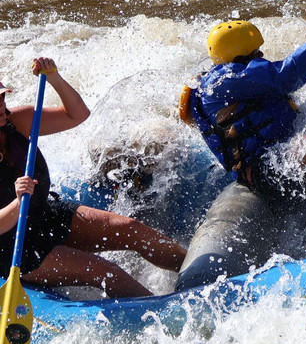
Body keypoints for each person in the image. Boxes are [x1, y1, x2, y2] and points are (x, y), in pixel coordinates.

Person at [0, 58, 187, 297]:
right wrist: (17, 203)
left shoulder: (17, 120)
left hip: (44, 216)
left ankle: (203, 275)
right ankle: (167, 316)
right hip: (12, 247)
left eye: (2, 97)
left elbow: (76, 115)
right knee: (106, 271)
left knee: (132, 230)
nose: (0, 105)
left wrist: (54, 78)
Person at [182, 13, 306, 201]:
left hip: (277, 153)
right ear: (238, 57)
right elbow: (285, 76)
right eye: (255, 52)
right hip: (266, 168)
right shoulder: (225, 80)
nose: (261, 55)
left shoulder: (225, 79)